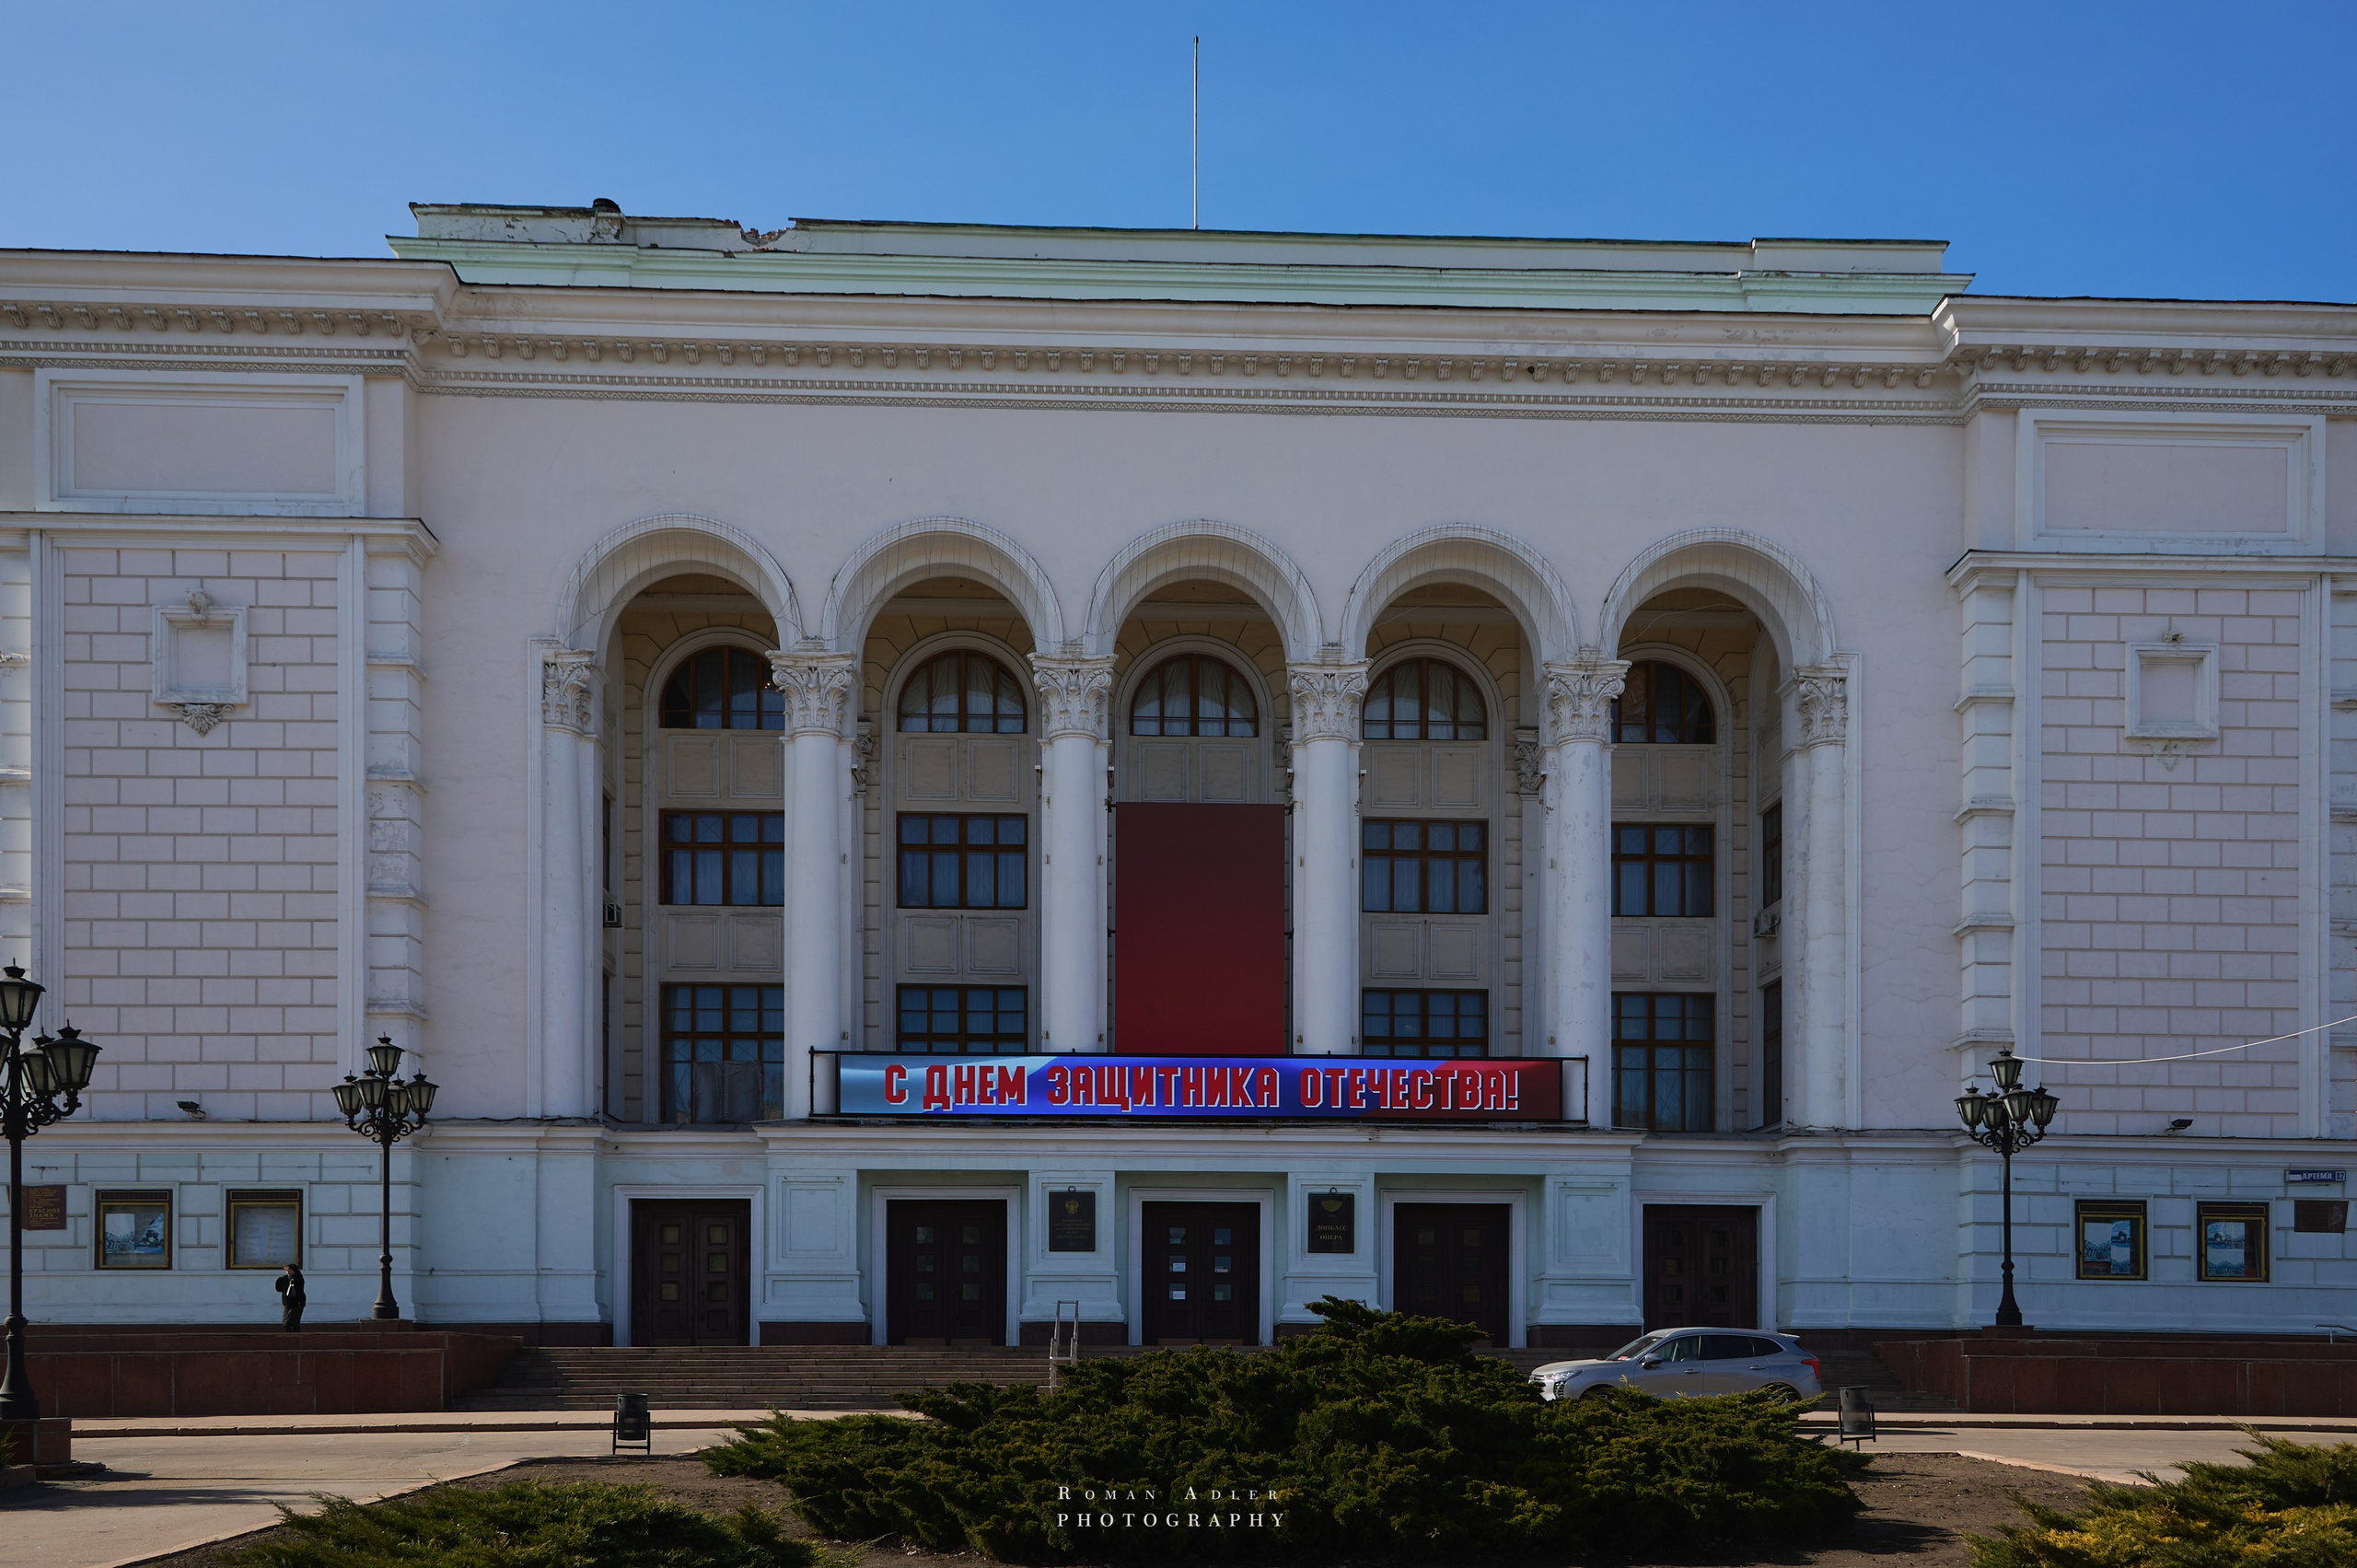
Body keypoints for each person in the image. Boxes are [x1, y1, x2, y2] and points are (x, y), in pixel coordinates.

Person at [275, 1262, 305, 1331]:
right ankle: (289, 1337)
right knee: (286, 1323)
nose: (288, 1272)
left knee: (292, 1323)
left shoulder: (298, 1278)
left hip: (296, 1304)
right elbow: (279, 1289)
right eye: (287, 1271)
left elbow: (297, 1290)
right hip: (287, 1304)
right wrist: (280, 1280)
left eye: (290, 1271)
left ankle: (295, 1338)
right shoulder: (286, 1279)